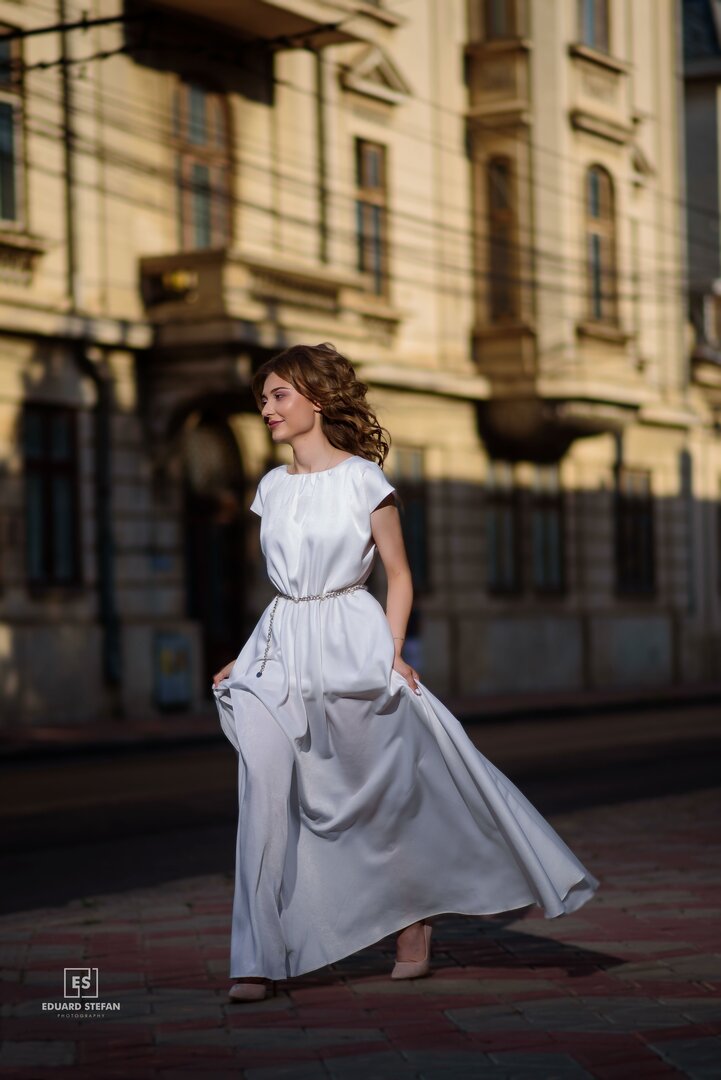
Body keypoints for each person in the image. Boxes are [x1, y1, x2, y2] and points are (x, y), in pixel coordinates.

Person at [212, 342, 599, 1003]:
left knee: (381, 798)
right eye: (262, 398)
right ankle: (255, 957)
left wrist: (392, 651)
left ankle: (411, 917)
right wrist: (249, 655)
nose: (266, 409)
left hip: (352, 643)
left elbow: (399, 574)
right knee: (263, 798)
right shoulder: (270, 487)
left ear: (317, 399)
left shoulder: (365, 480)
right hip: (278, 648)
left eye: (277, 395)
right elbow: (280, 591)